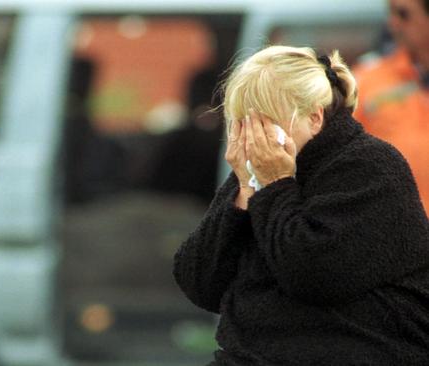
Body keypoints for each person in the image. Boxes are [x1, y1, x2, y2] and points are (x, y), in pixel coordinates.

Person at [173, 45, 429, 365]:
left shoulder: (371, 168)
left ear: (314, 117)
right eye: (243, 124)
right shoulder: (259, 173)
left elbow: (312, 275)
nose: (255, 139)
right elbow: (199, 283)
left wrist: (277, 185)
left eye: (267, 124)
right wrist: (242, 192)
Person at [353, 0, 429, 212]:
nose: (392, 23)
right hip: (393, 236)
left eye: (403, 14)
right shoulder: (366, 81)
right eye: (391, 13)